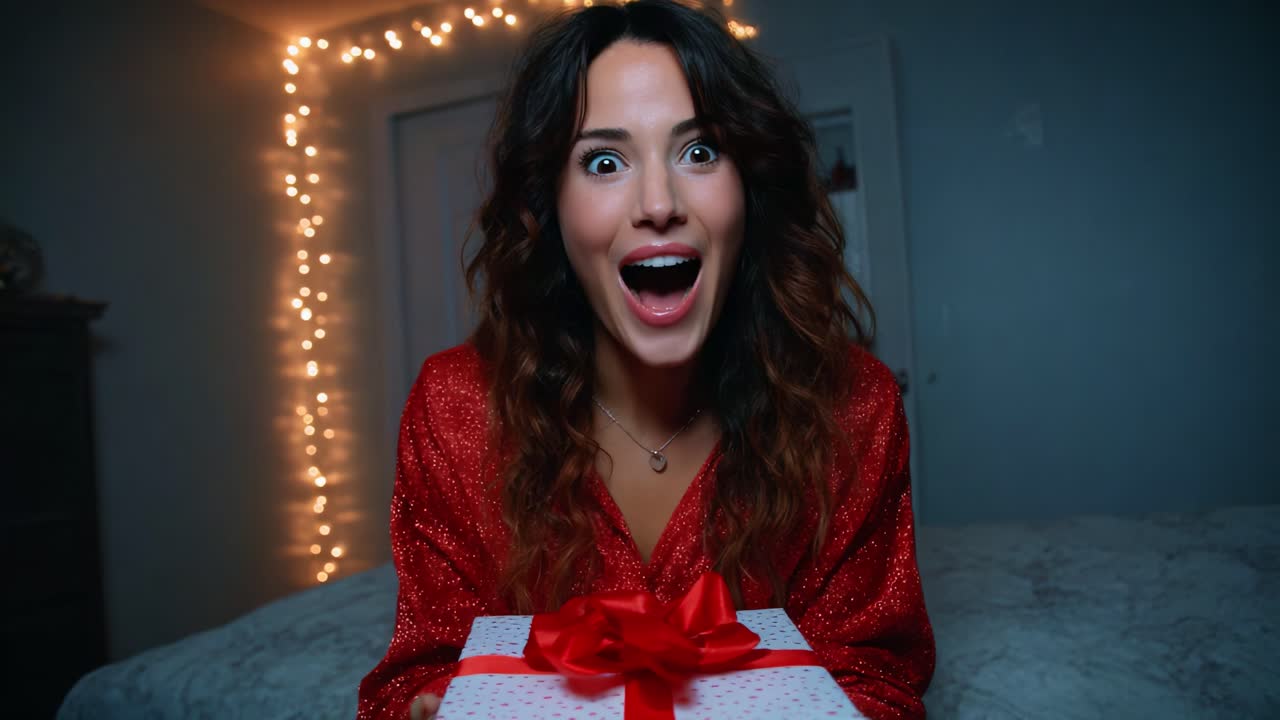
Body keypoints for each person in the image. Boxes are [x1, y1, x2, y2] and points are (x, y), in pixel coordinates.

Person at [356, 1, 935, 718]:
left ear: (749, 186)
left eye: (699, 151)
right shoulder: (455, 407)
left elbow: (875, 677)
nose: (658, 203)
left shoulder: (855, 404)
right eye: (604, 161)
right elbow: (417, 673)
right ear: (550, 208)